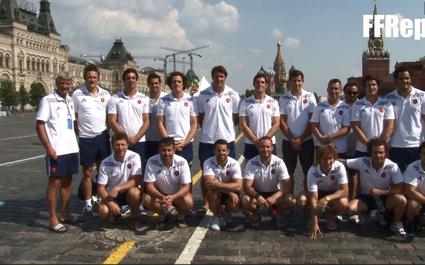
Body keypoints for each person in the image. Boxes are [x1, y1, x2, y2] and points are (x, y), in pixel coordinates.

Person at [36, 72, 81, 233]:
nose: (65, 86)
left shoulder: (70, 100)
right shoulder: (47, 100)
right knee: (54, 183)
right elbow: (40, 125)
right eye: (62, 83)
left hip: (71, 148)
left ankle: (65, 214)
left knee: (68, 182)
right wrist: (48, 147)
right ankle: (53, 218)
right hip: (56, 150)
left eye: (68, 83)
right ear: (57, 83)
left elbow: (72, 124)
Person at [196, 65, 240, 213]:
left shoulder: (233, 94)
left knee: (228, 172)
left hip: (227, 140)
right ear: (212, 77)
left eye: (222, 76)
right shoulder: (203, 95)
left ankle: (226, 199)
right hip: (207, 140)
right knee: (205, 173)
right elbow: (201, 117)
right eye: (216, 76)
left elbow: (235, 117)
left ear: (225, 78)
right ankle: (206, 202)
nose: (219, 79)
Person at [343, 138, 407, 238]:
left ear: (386, 153)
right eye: (375, 152)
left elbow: (401, 187)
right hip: (366, 197)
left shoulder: (392, 166)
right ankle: (365, 214)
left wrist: (382, 192)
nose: (378, 155)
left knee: (401, 200)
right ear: (370, 152)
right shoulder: (362, 161)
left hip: (385, 197)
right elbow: (343, 162)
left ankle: (395, 223)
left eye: (381, 152)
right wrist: (328, 157)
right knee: (349, 209)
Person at [72, 64, 111, 218]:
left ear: (98, 78)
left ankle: (102, 199)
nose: (92, 80)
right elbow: (74, 118)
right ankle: (88, 203)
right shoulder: (77, 94)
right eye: (89, 77)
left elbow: (111, 115)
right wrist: (80, 133)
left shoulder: (106, 94)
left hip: (102, 136)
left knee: (103, 170)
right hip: (87, 138)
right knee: (87, 172)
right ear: (85, 78)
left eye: (94, 77)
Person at [296, 144, 348, 239]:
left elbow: (344, 191)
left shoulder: (339, 167)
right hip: (317, 192)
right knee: (301, 200)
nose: (327, 162)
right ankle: (315, 216)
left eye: (330, 158)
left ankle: (330, 216)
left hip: (332, 193)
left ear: (334, 158)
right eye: (324, 159)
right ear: (319, 159)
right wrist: (314, 222)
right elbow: (313, 198)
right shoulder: (313, 171)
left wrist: (327, 198)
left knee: (344, 202)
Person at [241, 136, 295, 228]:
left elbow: (288, 185)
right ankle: (255, 214)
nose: (265, 149)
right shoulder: (251, 162)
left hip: (274, 192)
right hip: (257, 193)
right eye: (262, 147)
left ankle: (278, 212)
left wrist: (275, 196)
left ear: (272, 148)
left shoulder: (279, 162)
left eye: (268, 147)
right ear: (258, 148)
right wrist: (258, 197)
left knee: (291, 200)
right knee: (245, 200)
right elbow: (247, 185)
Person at [143, 137, 193, 228]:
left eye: (169, 150)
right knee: (146, 199)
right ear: (159, 150)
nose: (167, 153)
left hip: (177, 195)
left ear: (174, 150)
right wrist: (162, 197)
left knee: (188, 201)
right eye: (163, 150)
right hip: (160, 195)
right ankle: (163, 215)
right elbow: (149, 185)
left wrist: (173, 197)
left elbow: (186, 186)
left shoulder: (182, 162)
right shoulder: (152, 161)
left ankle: (180, 217)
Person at [279, 69, 316, 192]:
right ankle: (289, 200)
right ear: (289, 82)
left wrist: (300, 139)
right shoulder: (284, 98)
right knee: (288, 174)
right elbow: (282, 121)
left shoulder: (310, 97)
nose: (297, 83)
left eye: (299, 81)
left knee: (308, 173)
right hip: (288, 142)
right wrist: (292, 140)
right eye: (294, 81)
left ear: (303, 81)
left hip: (307, 141)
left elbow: (312, 121)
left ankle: (307, 199)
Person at [96, 132, 143, 230]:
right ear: (112, 146)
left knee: (135, 192)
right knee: (103, 211)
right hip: (112, 195)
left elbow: (136, 180)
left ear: (127, 145)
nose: (120, 148)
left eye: (123, 145)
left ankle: (134, 217)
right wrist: (110, 202)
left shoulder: (135, 156)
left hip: (128, 191)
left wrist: (118, 188)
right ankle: (116, 213)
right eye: (117, 145)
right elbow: (100, 188)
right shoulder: (105, 162)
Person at [385, 66, 425, 172]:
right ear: (396, 80)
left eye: (407, 78)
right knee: (398, 180)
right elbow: (387, 124)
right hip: (396, 146)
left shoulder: (422, 96)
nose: (404, 81)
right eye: (401, 78)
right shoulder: (388, 98)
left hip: (416, 145)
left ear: (411, 79)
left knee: (416, 179)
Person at [108, 68, 150, 164]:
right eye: (128, 78)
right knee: (119, 169)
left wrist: (136, 138)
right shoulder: (114, 98)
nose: (131, 80)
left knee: (139, 171)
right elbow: (112, 120)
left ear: (136, 81)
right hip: (121, 142)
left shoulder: (144, 99)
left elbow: (147, 121)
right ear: (123, 80)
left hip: (139, 141)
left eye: (133, 78)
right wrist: (125, 137)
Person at [157, 72, 197, 164]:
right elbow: (160, 123)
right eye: (174, 81)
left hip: (186, 144)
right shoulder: (163, 100)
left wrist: (185, 142)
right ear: (170, 84)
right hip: (169, 145)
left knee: (186, 175)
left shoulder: (191, 100)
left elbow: (194, 123)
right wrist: (169, 142)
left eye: (179, 81)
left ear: (183, 84)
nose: (176, 83)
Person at [203, 139, 243, 231]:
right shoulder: (208, 162)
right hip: (219, 192)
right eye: (218, 150)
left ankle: (226, 212)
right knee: (211, 193)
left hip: (228, 191)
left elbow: (238, 186)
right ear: (214, 151)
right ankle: (216, 217)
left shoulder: (234, 163)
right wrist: (230, 192)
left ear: (228, 151)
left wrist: (219, 185)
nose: (221, 153)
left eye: (224, 150)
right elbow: (210, 184)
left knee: (235, 206)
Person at [239, 72, 280, 160]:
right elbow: (243, 125)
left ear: (266, 85)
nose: (260, 84)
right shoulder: (245, 102)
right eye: (257, 82)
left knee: (270, 172)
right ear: (254, 84)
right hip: (251, 143)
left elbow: (276, 124)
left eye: (262, 82)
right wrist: (256, 141)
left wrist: (265, 140)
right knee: (251, 171)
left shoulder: (273, 102)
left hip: (269, 144)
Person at [351, 75, 394, 158]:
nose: (371, 87)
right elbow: (355, 126)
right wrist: (369, 144)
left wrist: (377, 145)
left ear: (378, 87)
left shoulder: (387, 104)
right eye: (368, 85)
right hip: (363, 149)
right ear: (364, 87)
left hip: (381, 150)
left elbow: (389, 126)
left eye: (374, 85)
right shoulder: (357, 105)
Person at [311, 79, 351, 157]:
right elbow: (313, 125)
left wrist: (329, 137)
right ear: (327, 90)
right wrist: (321, 138)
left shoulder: (346, 107)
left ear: (341, 90)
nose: (333, 91)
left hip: (339, 149)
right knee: (320, 169)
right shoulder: (319, 106)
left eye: (336, 89)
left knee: (338, 169)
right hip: (322, 147)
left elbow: (346, 129)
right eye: (331, 88)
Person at [403, 141, 425, 236]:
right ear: (420, 154)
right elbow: (410, 191)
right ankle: (410, 221)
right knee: (413, 205)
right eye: (424, 153)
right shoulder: (413, 167)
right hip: (418, 199)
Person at [145, 73, 167, 160]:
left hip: (163, 139)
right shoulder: (144, 99)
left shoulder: (166, 98)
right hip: (148, 139)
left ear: (160, 84)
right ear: (148, 85)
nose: (154, 85)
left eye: (156, 83)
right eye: (152, 83)